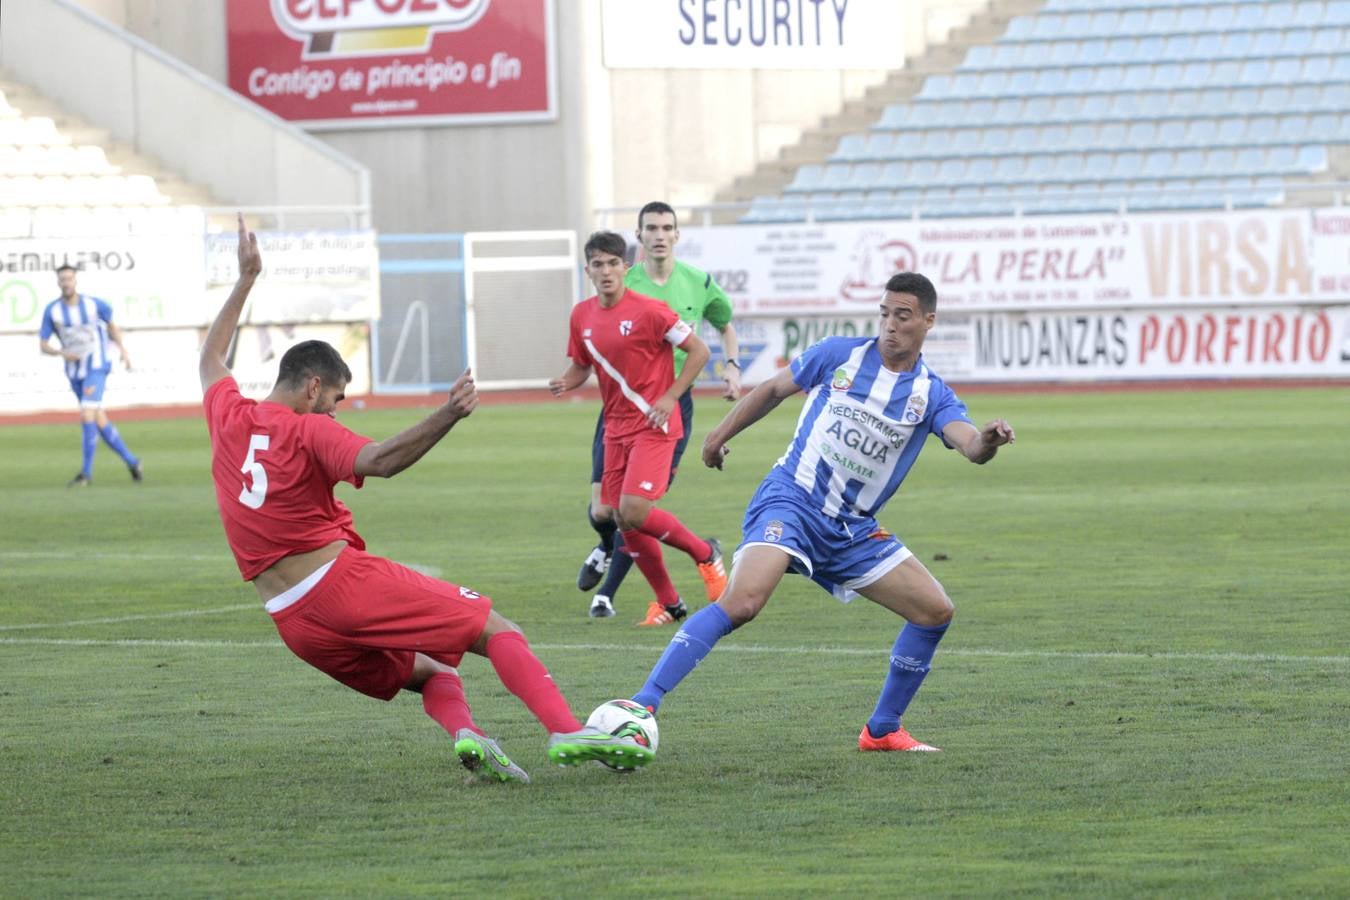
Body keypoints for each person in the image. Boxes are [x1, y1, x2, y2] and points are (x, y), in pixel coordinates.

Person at [201, 215, 650, 784]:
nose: (336, 410)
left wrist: (245, 279)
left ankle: (471, 737)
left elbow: (210, 360)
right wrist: (448, 415)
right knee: (496, 627)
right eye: (335, 398)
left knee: (435, 672)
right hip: (340, 587)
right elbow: (380, 461)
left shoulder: (228, 416)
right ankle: (565, 730)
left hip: (292, 622)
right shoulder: (307, 430)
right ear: (313, 386)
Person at [630, 272, 1016, 753]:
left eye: (903, 316)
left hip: (852, 530)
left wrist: (989, 440)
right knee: (744, 602)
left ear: (928, 321)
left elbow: (970, 446)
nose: (890, 325)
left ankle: (881, 730)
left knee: (935, 611)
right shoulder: (839, 355)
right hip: (792, 500)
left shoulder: (930, 394)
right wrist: (717, 436)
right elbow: (772, 390)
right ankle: (642, 704)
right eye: (884, 313)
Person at [550, 230, 729, 628]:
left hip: (654, 424)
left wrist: (669, 398)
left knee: (634, 510)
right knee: (619, 517)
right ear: (588, 271)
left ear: (625, 268)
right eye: (598, 264)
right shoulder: (581, 315)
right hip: (615, 429)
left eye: (613, 263)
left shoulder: (651, 311)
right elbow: (582, 363)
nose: (606, 271)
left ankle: (705, 552)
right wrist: (567, 380)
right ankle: (670, 602)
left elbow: (699, 351)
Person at [37, 264, 143, 487]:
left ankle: (86, 474)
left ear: (76, 281)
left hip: (96, 366)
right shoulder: (53, 311)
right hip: (74, 372)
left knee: (87, 415)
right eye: (62, 279)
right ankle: (132, 462)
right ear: (58, 283)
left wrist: (122, 349)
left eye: (69, 278)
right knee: (97, 418)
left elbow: (112, 325)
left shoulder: (94, 305)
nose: (66, 282)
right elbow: (43, 345)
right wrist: (60, 352)